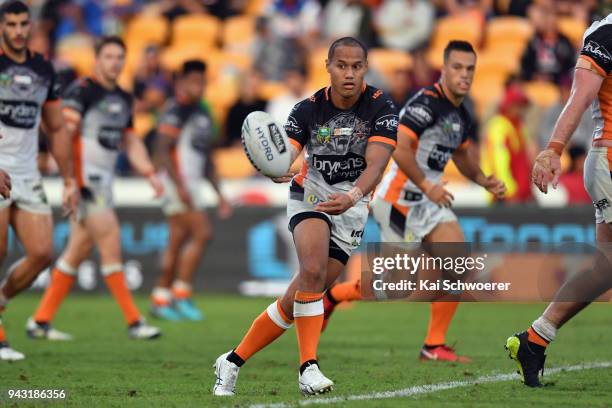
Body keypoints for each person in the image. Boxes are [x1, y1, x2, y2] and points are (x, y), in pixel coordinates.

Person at [213, 36, 398, 396]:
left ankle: (232, 361)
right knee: (311, 270)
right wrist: (278, 168)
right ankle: (307, 368)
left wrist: (353, 195)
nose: (348, 73)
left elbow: (377, 163)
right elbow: (287, 151)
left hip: (352, 204)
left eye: (356, 66)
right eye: (341, 65)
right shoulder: (306, 109)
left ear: (365, 68)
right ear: (327, 66)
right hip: (310, 195)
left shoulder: (381, 106)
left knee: (295, 298)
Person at [323, 41, 506, 362]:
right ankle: (333, 297)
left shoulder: (461, 112)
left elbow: (461, 155)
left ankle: (434, 346)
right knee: (396, 288)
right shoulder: (426, 104)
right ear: (444, 69)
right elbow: (401, 148)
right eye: (458, 68)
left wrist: (483, 179)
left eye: (470, 69)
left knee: (458, 266)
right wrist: (426, 185)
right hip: (399, 200)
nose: (464, 75)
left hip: (431, 201)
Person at [27, 36, 163, 342]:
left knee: (77, 251)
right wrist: (72, 180)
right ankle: (134, 322)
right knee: (111, 241)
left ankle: (40, 320)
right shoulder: (82, 91)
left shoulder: (125, 99)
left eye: (119, 57)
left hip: (104, 182)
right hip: (86, 183)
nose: (114, 62)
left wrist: (150, 173)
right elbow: (64, 133)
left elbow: (130, 140)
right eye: (109, 56)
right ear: (96, 60)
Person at [507, 12, 612, 387]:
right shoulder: (606, 33)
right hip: (610, 159)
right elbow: (581, 95)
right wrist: (552, 149)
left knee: (607, 266)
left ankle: (535, 339)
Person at [0, 0, 79, 361]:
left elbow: (57, 126)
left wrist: (68, 179)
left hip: (26, 172)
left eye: (22, 23)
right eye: (11, 24)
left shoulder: (42, 69)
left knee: (42, 253)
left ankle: (0, 302)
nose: (18, 30)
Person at [150, 60, 232, 321]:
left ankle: (161, 298)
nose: (198, 86)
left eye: (202, 81)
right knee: (202, 232)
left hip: (193, 183)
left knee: (176, 242)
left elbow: (207, 158)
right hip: (176, 182)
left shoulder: (202, 113)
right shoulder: (175, 110)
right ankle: (182, 294)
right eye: (193, 81)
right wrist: (179, 186)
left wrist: (219, 194)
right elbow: (161, 150)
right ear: (181, 83)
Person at [481, 83, 535, 203]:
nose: (521, 110)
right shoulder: (498, 126)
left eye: (522, 106)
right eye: (518, 105)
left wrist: (528, 190)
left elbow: (524, 160)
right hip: (504, 196)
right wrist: (509, 192)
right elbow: (499, 162)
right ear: (509, 105)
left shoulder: (519, 126)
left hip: (521, 195)